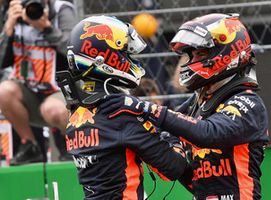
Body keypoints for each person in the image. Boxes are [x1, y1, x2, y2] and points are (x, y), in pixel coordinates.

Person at [101, 13, 270, 200]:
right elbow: (170, 144)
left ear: (226, 52)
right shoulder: (198, 101)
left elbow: (208, 133)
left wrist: (145, 107)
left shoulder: (249, 102)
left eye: (201, 54)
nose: (193, 61)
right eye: (192, 55)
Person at [55, 15, 188, 199]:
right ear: (103, 58)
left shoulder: (76, 112)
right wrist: (172, 133)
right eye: (125, 53)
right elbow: (172, 168)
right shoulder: (118, 112)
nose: (129, 58)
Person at [0, 0, 76, 165]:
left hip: (62, 91)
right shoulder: (12, 11)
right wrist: (8, 31)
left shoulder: (61, 10)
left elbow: (74, 52)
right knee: (4, 91)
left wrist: (47, 28)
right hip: (30, 90)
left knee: (52, 109)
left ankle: (70, 142)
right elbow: (1, 63)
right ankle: (29, 146)